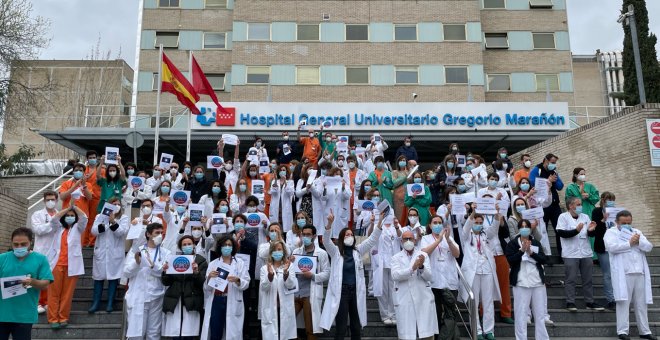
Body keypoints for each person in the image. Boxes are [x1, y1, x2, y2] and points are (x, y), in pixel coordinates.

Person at [320, 210, 383, 340]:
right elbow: (326, 241)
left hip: (355, 292)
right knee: (341, 327)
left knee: (356, 326)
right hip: (341, 292)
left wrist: (380, 220)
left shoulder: (358, 251)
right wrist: (329, 223)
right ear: (342, 238)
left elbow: (372, 240)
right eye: (346, 235)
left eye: (351, 234)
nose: (349, 236)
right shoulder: (335, 252)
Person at [604, 210, 657, 340]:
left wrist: (638, 242)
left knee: (641, 303)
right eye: (624, 223)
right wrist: (629, 243)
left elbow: (649, 247)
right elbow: (611, 247)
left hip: (640, 272)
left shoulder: (637, 232)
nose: (627, 225)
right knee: (623, 303)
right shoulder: (611, 232)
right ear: (617, 222)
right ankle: (622, 331)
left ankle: (645, 331)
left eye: (629, 223)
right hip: (624, 273)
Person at [0, 227, 54, 340]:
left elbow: (46, 283)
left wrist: (32, 282)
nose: (19, 247)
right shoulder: (2, 258)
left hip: (24, 315)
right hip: (2, 313)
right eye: (16, 244)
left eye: (23, 244)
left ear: (31, 242)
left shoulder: (40, 259)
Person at [123, 223, 171, 340]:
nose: (160, 235)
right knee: (136, 333)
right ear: (148, 234)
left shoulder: (166, 253)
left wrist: (152, 265)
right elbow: (126, 272)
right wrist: (137, 263)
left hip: (157, 296)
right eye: (157, 233)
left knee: (154, 333)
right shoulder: (136, 251)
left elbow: (164, 274)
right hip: (139, 295)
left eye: (161, 233)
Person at [556, 196, 604, 311]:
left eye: (580, 204)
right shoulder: (563, 217)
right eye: (578, 204)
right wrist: (576, 231)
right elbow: (561, 233)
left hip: (585, 253)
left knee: (588, 279)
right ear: (570, 206)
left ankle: (590, 302)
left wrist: (591, 230)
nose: (580, 206)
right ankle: (570, 302)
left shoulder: (585, 217)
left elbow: (590, 235)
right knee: (571, 279)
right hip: (571, 253)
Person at [44, 203, 87, 329]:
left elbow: (84, 217)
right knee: (53, 293)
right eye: (67, 216)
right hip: (57, 264)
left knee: (67, 294)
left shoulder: (78, 228)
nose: (69, 217)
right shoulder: (58, 228)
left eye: (72, 216)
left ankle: (63, 317)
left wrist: (75, 208)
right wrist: (67, 209)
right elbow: (54, 219)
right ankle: (53, 319)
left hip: (72, 266)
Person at [505, 221, 550, 340]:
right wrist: (521, 251)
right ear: (519, 229)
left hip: (537, 281)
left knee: (540, 314)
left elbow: (543, 259)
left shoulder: (536, 242)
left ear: (530, 229)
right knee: (521, 314)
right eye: (522, 227)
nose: (524, 229)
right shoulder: (512, 244)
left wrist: (531, 252)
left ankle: (542, 338)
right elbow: (511, 260)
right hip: (521, 282)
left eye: (527, 227)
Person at [460, 210, 500, 340]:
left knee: (488, 302)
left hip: (487, 270)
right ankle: (477, 330)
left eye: (480, 223)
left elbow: (494, 229)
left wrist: (497, 215)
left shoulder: (485, 234)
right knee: (474, 301)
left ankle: (489, 331)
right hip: (473, 271)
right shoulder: (466, 235)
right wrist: (473, 213)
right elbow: (466, 227)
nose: (478, 224)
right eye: (476, 222)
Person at [391, 230, 438, 340]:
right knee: (407, 335)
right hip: (404, 297)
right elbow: (395, 275)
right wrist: (412, 269)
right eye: (405, 239)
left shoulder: (423, 255)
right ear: (401, 241)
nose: (408, 241)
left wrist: (421, 267)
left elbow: (429, 277)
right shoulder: (396, 258)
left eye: (410, 238)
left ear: (415, 240)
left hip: (423, 297)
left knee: (427, 334)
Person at [201, 236, 250, 340]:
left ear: (233, 247)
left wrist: (238, 280)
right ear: (220, 247)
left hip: (232, 299)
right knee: (215, 331)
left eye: (229, 245)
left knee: (232, 333)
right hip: (217, 300)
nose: (227, 247)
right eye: (224, 245)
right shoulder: (213, 264)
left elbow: (246, 283)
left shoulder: (239, 263)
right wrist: (209, 277)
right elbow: (206, 289)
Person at [161, 236, 208, 340]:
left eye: (189, 244)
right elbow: (166, 282)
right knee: (176, 334)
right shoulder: (174, 260)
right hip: (175, 299)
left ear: (194, 245)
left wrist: (196, 272)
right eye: (184, 245)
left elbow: (202, 283)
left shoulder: (201, 261)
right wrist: (165, 272)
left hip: (192, 300)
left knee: (189, 334)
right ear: (180, 247)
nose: (187, 246)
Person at [421, 216, 460, 339]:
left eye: (440, 223)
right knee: (435, 315)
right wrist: (438, 241)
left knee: (450, 314)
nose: (437, 225)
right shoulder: (425, 239)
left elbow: (457, 254)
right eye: (435, 223)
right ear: (430, 225)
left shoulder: (449, 239)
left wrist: (447, 240)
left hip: (449, 282)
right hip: (433, 282)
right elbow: (424, 252)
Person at [88, 197, 128, 313]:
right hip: (101, 252)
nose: (116, 206)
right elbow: (94, 231)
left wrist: (113, 222)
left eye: (118, 204)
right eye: (113, 204)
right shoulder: (99, 217)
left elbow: (121, 232)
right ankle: (96, 303)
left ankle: (110, 303)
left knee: (113, 277)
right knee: (98, 278)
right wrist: (105, 222)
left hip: (115, 253)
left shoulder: (123, 218)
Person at [292, 224, 330, 339]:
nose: (305, 237)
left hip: (310, 294)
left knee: (311, 329)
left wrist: (312, 275)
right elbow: (289, 272)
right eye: (303, 234)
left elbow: (327, 273)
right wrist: (289, 263)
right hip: (295, 294)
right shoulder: (296, 252)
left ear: (314, 236)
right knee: (287, 324)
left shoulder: (321, 253)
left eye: (308, 234)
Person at [260, 240, 298, 340]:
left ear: (283, 252)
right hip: (271, 307)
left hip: (284, 307)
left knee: (285, 335)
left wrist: (286, 273)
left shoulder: (290, 267)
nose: (277, 252)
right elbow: (264, 287)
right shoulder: (264, 268)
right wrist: (270, 275)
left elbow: (291, 285)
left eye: (280, 249)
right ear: (271, 252)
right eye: (275, 250)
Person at [529, 153, 564, 257]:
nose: (554, 164)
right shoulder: (537, 169)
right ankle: (543, 254)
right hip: (542, 205)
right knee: (542, 231)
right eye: (552, 162)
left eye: (555, 163)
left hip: (554, 204)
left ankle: (561, 254)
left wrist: (554, 181)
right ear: (545, 160)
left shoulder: (554, 171)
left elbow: (560, 186)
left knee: (559, 229)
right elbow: (532, 182)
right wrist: (548, 181)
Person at [30, 191, 59, 314]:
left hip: (55, 250)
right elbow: (38, 230)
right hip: (41, 250)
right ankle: (37, 303)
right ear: (44, 201)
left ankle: (47, 302)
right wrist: (51, 224)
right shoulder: (37, 214)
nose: (50, 202)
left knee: (50, 277)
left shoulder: (59, 214)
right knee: (38, 276)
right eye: (48, 199)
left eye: (52, 199)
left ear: (57, 200)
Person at [591, 192, 617, 310]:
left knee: (616, 273)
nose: (611, 201)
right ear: (603, 200)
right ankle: (610, 299)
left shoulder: (617, 212)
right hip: (603, 246)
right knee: (608, 274)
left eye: (612, 199)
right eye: (608, 199)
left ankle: (618, 296)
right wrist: (603, 220)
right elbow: (594, 231)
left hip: (615, 247)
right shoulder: (597, 211)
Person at [83, 150, 102, 247]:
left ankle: (92, 241)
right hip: (85, 198)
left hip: (96, 198)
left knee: (94, 220)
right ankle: (84, 241)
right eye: (90, 158)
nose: (92, 159)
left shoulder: (101, 170)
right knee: (85, 219)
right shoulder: (83, 170)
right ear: (87, 159)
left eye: (94, 157)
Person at [270, 164, 295, 231]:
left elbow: (290, 193)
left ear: (286, 172)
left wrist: (285, 182)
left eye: (284, 170)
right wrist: (275, 180)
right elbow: (273, 192)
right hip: (276, 206)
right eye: (281, 170)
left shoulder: (290, 182)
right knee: (276, 226)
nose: (282, 171)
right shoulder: (274, 181)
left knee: (286, 227)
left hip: (285, 206)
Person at [391, 155, 410, 223]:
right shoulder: (395, 172)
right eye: (401, 160)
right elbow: (394, 183)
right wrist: (404, 177)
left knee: (409, 216)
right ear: (398, 162)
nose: (402, 162)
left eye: (404, 160)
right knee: (399, 216)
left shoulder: (409, 172)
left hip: (409, 198)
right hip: (398, 198)